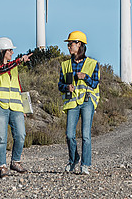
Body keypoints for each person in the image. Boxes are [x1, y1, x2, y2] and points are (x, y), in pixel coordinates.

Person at [0, 36, 31, 178]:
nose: (12, 52)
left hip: (16, 107)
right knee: (1, 137)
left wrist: (23, 107)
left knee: (21, 135)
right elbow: (1, 70)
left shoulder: (14, 68)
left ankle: (15, 162)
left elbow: (17, 87)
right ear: (2, 51)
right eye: (10, 50)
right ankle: (2, 166)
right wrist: (19, 61)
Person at [58, 30, 100, 175]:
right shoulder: (64, 65)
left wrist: (85, 77)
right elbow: (60, 85)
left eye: (71, 43)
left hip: (87, 101)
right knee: (69, 134)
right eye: (68, 44)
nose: (68, 46)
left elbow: (95, 84)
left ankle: (85, 165)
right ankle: (73, 158)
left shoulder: (93, 64)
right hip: (72, 102)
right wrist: (66, 87)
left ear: (79, 44)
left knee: (86, 135)